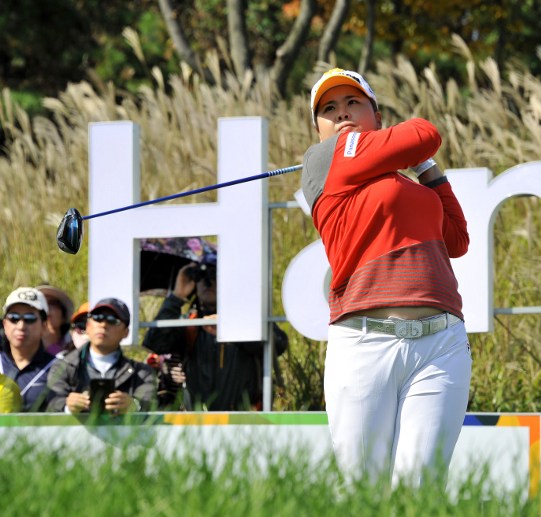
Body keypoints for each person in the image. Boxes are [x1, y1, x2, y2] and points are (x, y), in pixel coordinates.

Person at [302, 68, 472, 485]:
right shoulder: (325, 158)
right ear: (320, 126)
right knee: (363, 491)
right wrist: (416, 153)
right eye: (329, 108)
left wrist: (426, 171)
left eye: (353, 103)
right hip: (364, 342)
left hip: (441, 343)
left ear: (376, 114)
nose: (342, 114)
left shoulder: (404, 183)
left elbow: (456, 239)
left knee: (422, 489)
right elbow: (424, 132)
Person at [142, 256, 288, 411]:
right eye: (201, 276)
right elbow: (154, 344)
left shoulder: (246, 319)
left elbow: (279, 343)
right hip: (199, 423)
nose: (207, 283)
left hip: (245, 421)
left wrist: (232, 328)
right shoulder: (190, 324)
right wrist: (176, 297)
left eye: (215, 275)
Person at [46, 298, 156, 415]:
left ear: (126, 332)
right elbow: (50, 403)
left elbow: (150, 404)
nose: (103, 325)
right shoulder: (62, 366)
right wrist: (67, 406)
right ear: (88, 326)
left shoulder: (142, 373)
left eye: (112, 320)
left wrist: (134, 405)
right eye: (97, 318)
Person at [0, 287, 56, 411]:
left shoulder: (59, 368)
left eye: (29, 318)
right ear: (4, 324)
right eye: (14, 318)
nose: (21, 326)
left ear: (44, 326)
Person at [36, 284, 75, 356]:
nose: (46, 308)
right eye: (41, 303)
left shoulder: (75, 346)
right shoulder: (24, 347)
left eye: (52, 304)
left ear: (64, 317)